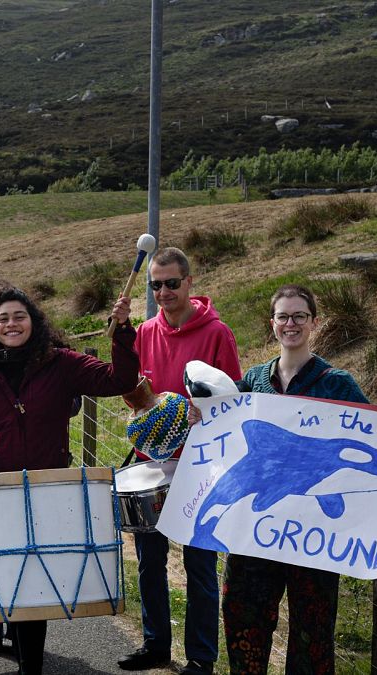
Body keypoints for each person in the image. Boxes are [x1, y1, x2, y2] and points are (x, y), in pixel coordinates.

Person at [212, 284, 377, 674]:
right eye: (283, 316)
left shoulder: (338, 383)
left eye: (299, 316)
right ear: (272, 323)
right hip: (256, 532)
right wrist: (202, 416)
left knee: (312, 634)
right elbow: (225, 427)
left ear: (314, 322)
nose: (291, 324)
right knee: (243, 617)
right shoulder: (254, 380)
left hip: (310, 541)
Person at [0, 287, 138, 674]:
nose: (11, 324)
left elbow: (121, 380)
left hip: (46, 492)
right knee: (10, 577)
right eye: (3, 318)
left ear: (34, 322)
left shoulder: (62, 364)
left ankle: (31, 667)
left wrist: (122, 330)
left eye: (19, 316)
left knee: (33, 584)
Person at [120, 247, 241, 675]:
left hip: (201, 466)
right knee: (150, 561)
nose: (164, 292)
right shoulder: (143, 332)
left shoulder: (217, 333)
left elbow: (233, 400)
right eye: (156, 285)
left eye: (172, 283)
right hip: (151, 465)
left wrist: (203, 413)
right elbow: (132, 392)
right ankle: (155, 645)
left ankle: (201, 658)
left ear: (189, 282)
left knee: (199, 565)